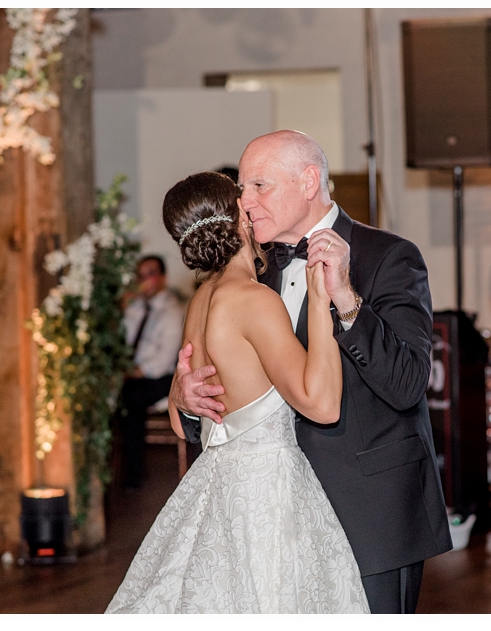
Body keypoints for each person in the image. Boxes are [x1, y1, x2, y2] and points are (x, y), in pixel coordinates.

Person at [170, 130, 452, 614]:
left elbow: (408, 385)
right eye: (242, 189)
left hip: (369, 514)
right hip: (273, 516)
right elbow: (232, 400)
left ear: (308, 181)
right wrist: (186, 399)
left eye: (260, 186)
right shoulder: (248, 275)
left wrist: (345, 301)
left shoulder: (388, 257)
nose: (246, 201)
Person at [106, 171, 369, 614]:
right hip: (269, 495)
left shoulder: (201, 300)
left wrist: (179, 395)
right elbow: (322, 405)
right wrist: (322, 300)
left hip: (216, 488)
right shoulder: (252, 300)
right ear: (241, 219)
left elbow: (180, 417)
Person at [116, 255, 186, 491]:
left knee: (131, 399)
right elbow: (121, 342)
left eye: (151, 274)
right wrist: (122, 309)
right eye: (141, 275)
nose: (146, 281)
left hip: (162, 377)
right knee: (123, 395)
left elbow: (164, 359)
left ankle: (134, 474)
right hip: (132, 375)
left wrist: (134, 372)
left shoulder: (172, 310)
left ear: (163, 277)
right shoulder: (135, 307)